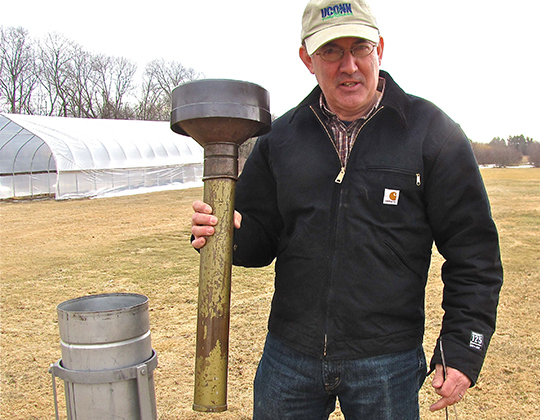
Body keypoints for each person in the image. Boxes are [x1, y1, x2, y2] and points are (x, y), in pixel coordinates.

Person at [191, 0, 503, 418]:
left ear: (381, 49)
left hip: (387, 361)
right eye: (331, 51)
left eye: (360, 48)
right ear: (307, 59)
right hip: (289, 356)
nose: (349, 65)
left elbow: (474, 254)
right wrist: (225, 233)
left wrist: (463, 348)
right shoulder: (278, 139)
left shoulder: (433, 134)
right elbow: (259, 240)